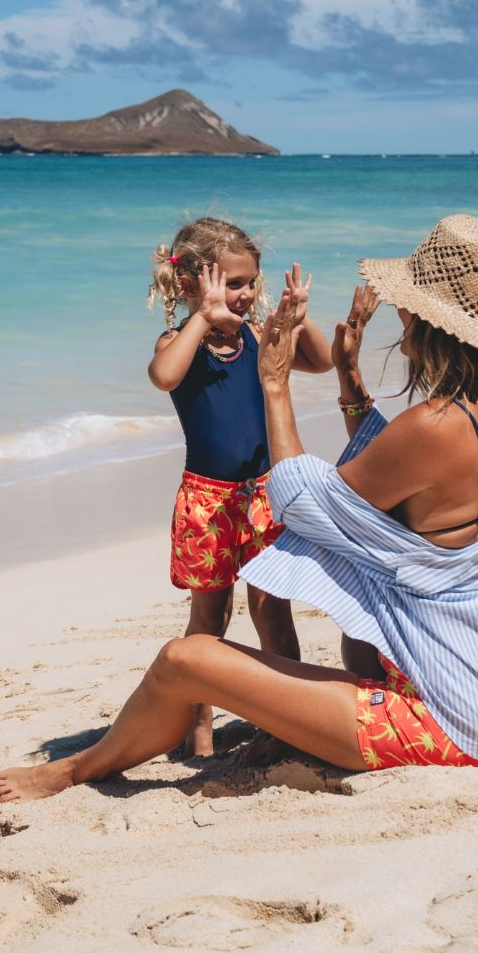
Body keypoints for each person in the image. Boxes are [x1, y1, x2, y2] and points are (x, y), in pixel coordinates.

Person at [0, 214, 478, 802]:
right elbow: (400, 474)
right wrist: (351, 377)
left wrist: (275, 383)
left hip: (461, 722)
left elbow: (304, 504)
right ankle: (275, 727)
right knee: (350, 625)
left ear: (435, 324)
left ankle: (74, 770)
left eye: (407, 306)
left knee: (185, 658)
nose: (399, 316)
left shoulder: (433, 427)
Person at [145, 217, 332, 755]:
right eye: (233, 283)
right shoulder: (180, 341)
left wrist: (297, 319)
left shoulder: (258, 335)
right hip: (208, 502)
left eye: (251, 281)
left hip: (265, 498)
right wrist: (203, 320)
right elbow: (165, 376)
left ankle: (292, 716)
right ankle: (197, 730)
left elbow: (320, 362)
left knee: (274, 609)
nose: (246, 294)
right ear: (191, 285)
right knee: (210, 616)